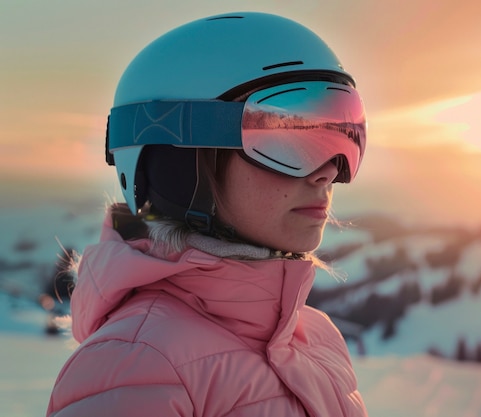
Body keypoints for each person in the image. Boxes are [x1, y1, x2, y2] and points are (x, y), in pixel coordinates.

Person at [47, 11, 368, 417]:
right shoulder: (135, 366)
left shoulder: (316, 338)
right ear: (179, 166)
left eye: (342, 134)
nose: (329, 172)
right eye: (284, 141)